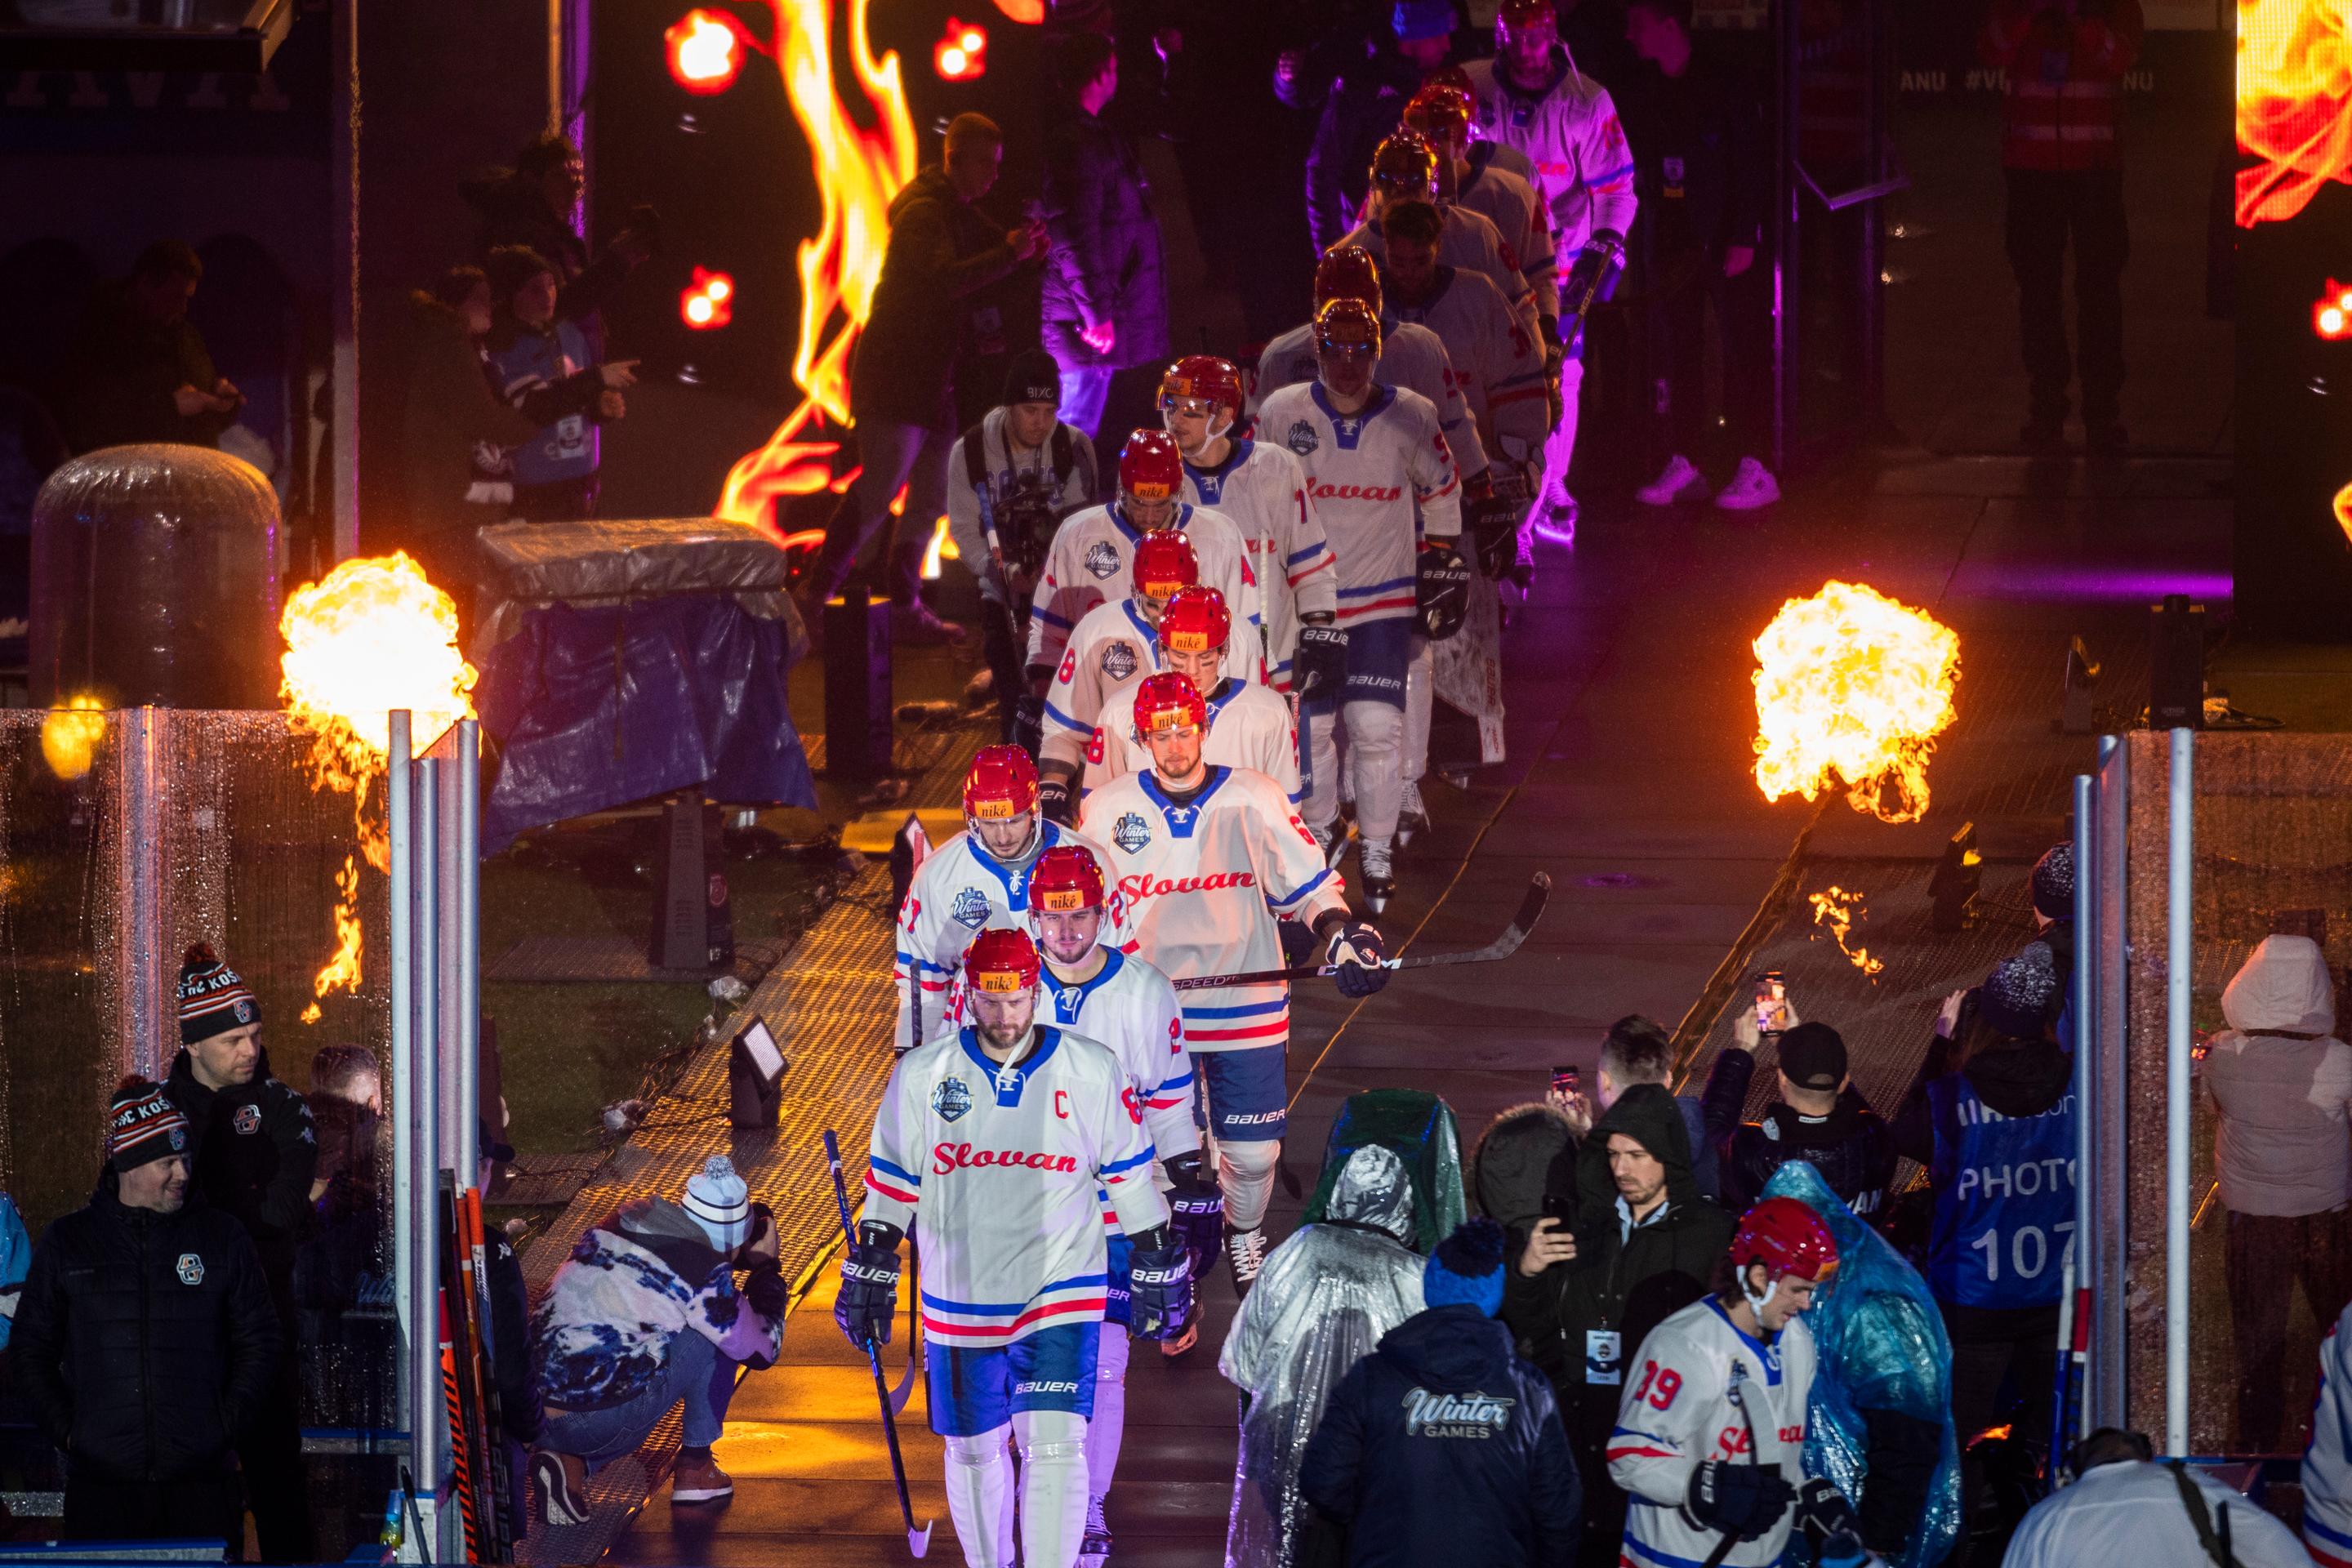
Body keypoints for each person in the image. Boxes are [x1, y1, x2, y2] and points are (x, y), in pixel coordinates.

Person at [841, 927, 1193, 1568]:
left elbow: (1129, 1179)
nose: (1004, 1017)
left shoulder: (1091, 1068)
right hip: (960, 1296)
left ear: (1036, 992)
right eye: (990, 1001)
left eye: (1016, 1000)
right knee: (974, 1451)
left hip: (1060, 1290)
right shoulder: (922, 1075)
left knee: (1055, 1445)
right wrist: (872, 1263)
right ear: (969, 996)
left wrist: (1157, 1253)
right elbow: (892, 1185)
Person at [1083, 673, 1388, 1290]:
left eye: (1184, 731)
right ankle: (1168, 1255)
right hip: (1153, 1013)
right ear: (1142, 739)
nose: (1175, 746)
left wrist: (1342, 934)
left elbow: (1310, 887)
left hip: (1244, 1007)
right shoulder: (1107, 809)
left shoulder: (1257, 795)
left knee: (1251, 1155)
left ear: (1204, 728)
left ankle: (1243, 1231)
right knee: (1162, 1158)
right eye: (1161, 735)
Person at [1025, 844, 1208, 1559]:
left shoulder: (1145, 991)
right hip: (1024, 1208)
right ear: (1033, 918)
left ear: (1104, 913)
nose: (1066, 932)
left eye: (1079, 916)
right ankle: (1043, 1488)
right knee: (1029, 1361)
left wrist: (1190, 1187)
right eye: (1052, 918)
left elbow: (1169, 1105)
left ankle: (1089, 1505)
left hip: (1116, 1207)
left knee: (1104, 1360)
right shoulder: (999, 985)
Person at [1258, 299, 1463, 911]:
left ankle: (1376, 848)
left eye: (1359, 350)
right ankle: (1321, 828)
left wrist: (1442, 560)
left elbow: (1444, 487)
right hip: (1307, 603)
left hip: (1382, 599)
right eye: (1335, 349)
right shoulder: (1280, 412)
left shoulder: (1412, 413)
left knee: (1375, 728)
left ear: (1377, 352)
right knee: (1311, 729)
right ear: (1316, 352)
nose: (1347, 363)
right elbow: (1253, 486)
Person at [808, 113, 1045, 641]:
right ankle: (814, 598)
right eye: (985, 163)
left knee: (930, 495)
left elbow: (984, 271)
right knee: (880, 490)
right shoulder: (924, 215)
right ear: (954, 159)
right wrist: (1011, 254)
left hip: (931, 376)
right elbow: (943, 282)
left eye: (996, 165)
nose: (993, 175)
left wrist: (1022, 256)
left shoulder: (953, 213)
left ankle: (902, 603)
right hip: (899, 372)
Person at [16, 1080, 279, 1549]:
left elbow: (261, 1341)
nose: (183, 1173)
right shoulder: (68, 1243)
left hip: (201, 1488)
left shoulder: (222, 1238)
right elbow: (30, 1351)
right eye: (167, 1162)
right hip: (103, 1492)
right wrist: (73, 1435)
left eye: (186, 1159)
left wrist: (221, 1428)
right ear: (129, 1164)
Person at [1501, 1082, 1733, 1566]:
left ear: (1668, 1156)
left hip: (1662, 1443)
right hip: (1579, 1437)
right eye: (1613, 1155)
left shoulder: (1712, 1234)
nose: (1621, 1169)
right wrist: (1527, 1272)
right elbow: (1533, 1329)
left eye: (1636, 1155)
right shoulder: (1586, 1226)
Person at [1891, 944, 2075, 1531]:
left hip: (1973, 1296)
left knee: (1957, 1440)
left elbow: (1904, 1133)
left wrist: (1941, 1045)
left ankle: (1958, 1541)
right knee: (2057, 1434)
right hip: (2056, 1293)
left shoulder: (1953, 1096)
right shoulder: (2082, 1083)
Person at [1302, 1217, 1583, 1566]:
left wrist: (1375, 1519)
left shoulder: (1371, 1377)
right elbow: (1558, 1507)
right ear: (1494, 1293)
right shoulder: (1529, 1389)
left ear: (1430, 1286)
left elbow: (1323, 1480)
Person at [160, 942, 316, 1562]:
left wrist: (197, 1212)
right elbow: (127, 1215)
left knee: (279, 1481)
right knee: (197, 1490)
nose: (250, 1049)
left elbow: (281, 1211)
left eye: (254, 1035)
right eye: (233, 1040)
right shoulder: (160, 1116)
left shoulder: (281, 1107)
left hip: (261, 1330)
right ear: (195, 1045)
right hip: (182, 1337)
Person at [1608, 1198, 1862, 1568]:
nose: (1807, 1303)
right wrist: (1702, 1486)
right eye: (1797, 1289)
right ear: (1758, 1277)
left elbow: (1775, 1446)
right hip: (1675, 1558)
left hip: (1761, 1559)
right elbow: (1628, 1456)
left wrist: (1804, 1496)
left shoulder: (1797, 1342)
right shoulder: (1685, 1345)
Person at [530, 1155, 785, 1521]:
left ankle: (568, 1469)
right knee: (716, 1332)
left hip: (531, 1412)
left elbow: (680, 1257)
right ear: (734, 1238)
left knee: (638, 1344)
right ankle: (696, 1467)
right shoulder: (702, 1272)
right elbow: (762, 1349)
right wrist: (767, 1270)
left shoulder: (622, 1221)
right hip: (597, 1423)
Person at [1464, 0, 1639, 529]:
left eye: (1535, 37)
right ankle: (1487, 480)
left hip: (1560, 260)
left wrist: (1604, 248)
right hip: (1488, 257)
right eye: (1515, 38)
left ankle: (1553, 482)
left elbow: (1617, 188)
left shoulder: (1586, 100)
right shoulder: (1470, 88)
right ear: (1500, 37)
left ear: (1553, 36)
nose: (1526, 50)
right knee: (1481, 368)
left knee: (1561, 368)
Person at [1220, 1143, 1428, 1568]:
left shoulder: (1295, 1252)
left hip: (1284, 1445)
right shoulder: (1415, 1276)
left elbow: (1244, 1361)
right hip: (1378, 1455)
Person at [1758, 1160, 1958, 1568]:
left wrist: (1875, 1542)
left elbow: (1908, 1434)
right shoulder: (1803, 1290)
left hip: (1860, 1530)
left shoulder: (1873, 1302)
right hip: (1806, 1525)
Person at [1620, 0, 1776, 513]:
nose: (1630, 34)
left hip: (1726, 238)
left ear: (1669, 25)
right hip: (1677, 238)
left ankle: (1757, 462)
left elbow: (1750, 160)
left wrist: (1744, 234)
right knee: (1682, 350)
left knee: (1742, 347)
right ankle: (1689, 459)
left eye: (1639, 24)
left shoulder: (1723, 81)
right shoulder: (1649, 87)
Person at [2199, 933, 2352, 1453]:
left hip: (2252, 1220)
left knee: (2259, 1343)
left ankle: (2257, 1448)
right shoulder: (2339, 1061)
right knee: (2340, 1335)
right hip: (2325, 1220)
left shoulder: (2221, 1055)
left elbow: (2209, 1107)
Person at [1025, 430, 1258, 767]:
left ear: (1177, 492)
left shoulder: (1220, 535)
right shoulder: (1077, 534)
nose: (1149, 517)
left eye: (1160, 504)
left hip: (1199, 727)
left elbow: (1245, 633)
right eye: (1138, 502)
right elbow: (1049, 629)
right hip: (1106, 716)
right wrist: (1042, 693)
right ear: (1122, 489)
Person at [1977, 0, 2144, 453]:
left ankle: (2102, 413)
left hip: (2095, 172)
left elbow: (2122, 57)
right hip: (2031, 173)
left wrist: (2081, 19)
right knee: (2037, 292)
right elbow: (1991, 49)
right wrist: (2029, 14)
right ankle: (2046, 409)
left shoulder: (2111, 6)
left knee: (2100, 292)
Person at [893, 746, 1119, 1053]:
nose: (1002, 836)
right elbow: (923, 979)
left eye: (1013, 821)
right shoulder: (937, 876)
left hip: (1075, 1034)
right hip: (983, 1036)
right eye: (989, 823)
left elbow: (1118, 966)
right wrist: (915, 1055)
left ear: (1034, 808)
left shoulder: (1091, 863)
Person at [1377, 198, 1549, 593]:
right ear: (1384, 249)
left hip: (1470, 477)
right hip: (1385, 483)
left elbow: (1517, 380)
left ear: (1438, 248)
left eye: (1420, 261)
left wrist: (1510, 461)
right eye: (1398, 262)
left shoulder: (1477, 296)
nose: (1408, 274)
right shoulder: (1363, 304)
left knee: (1474, 599)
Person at [403, 265, 604, 592]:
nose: (489, 306)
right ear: (455, 304)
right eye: (478, 298)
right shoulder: (449, 346)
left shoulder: (468, 346)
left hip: (463, 506)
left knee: (479, 593)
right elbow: (485, 419)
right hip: (455, 509)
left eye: (490, 297)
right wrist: (533, 422)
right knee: (472, 596)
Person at [1250, 246, 1491, 512]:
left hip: (1398, 508)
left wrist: (1481, 491)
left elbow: (1451, 424)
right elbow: (1260, 445)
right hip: (1315, 511)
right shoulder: (1281, 356)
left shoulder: (1419, 348)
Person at [946, 350, 1101, 746]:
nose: (1040, 423)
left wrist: (1052, 572)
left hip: (1063, 596)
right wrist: (1000, 571)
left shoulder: (1072, 446)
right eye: (1030, 410)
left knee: (1070, 705)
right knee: (1015, 704)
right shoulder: (971, 451)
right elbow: (962, 528)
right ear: (1009, 406)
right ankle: (1018, 773)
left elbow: (1085, 528)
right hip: (1001, 595)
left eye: (1050, 411)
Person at [1162, 355, 1339, 700]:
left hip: (1275, 666)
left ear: (1224, 416)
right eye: (1172, 407)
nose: (1176, 420)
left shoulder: (1275, 466)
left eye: (1191, 411)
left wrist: (1319, 636)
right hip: (1189, 667)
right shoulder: (1158, 476)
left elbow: (1310, 563)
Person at [1041, 32, 1170, 453]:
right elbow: (1075, 235)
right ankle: (1052, 498)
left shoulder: (1089, 135)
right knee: (1070, 434)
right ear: (1099, 74)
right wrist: (1096, 313)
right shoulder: (1077, 143)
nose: (1118, 76)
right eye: (1113, 68)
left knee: (1076, 433)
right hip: (1082, 323)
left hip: (1090, 314)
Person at [1038, 530, 1207, 797]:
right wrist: (1053, 789)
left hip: (1208, 793)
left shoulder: (1234, 635)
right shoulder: (1098, 628)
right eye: (1153, 605)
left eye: (1173, 603)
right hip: (1124, 799)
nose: (1165, 618)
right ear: (1135, 591)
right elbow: (1065, 730)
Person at [1086, 603, 1302, 805]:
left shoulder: (1268, 712)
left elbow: (1286, 809)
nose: (1192, 669)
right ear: (1163, 649)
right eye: (1180, 655)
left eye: (1204, 657)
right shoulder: (1120, 710)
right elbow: (1098, 804)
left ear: (1223, 650)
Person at [1335, 132, 1539, 344]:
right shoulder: (1351, 254)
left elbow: (1520, 306)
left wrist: (1536, 358)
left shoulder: (1475, 233)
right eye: (1389, 180)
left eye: (1413, 180)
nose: (1400, 191)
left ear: (1432, 184)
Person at [2009, 1427, 2306, 1566]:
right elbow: (2281, 1554)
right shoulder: (2192, 1490)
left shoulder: (2047, 1517)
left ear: (2079, 1467)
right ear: (2146, 1457)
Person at [483, 245, 631, 522]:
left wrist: (600, 406)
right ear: (513, 294)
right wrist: (597, 378)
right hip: (536, 487)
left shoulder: (569, 332)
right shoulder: (507, 345)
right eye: (535, 289)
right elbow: (535, 407)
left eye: (551, 285)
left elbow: (578, 396)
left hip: (582, 480)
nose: (547, 295)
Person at [56, 240, 241, 454]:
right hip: (134, 465)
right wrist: (171, 408)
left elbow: (205, 415)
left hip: (195, 462)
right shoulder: (99, 333)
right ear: (145, 284)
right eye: (176, 296)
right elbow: (87, 424)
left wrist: (223, 402)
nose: (183, 308)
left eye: (187, 298)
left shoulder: (185, 335)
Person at [1307, 0, 1461, 254]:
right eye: (1438, 35)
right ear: (1413, 37)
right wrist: (1330, 252)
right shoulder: (1363, 82)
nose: (1447, 45)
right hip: (1371, 237)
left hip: (1435, 238)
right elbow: (1322, 167)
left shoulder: (1445, 76)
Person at [1700, 1020, 1895, 1218]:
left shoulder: (1752, 1157)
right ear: (1844, 1082)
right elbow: (1855, 1112)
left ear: (1782, 1079)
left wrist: (1741, 1050)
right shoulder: (1877, 1143)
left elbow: (1708, 1136)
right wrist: (1798, 1050)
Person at [1403, 84, 1561, 330]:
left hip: (1496, 337)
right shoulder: (1392, 193)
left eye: (1437, 135)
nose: (1424, 146)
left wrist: (1546, 330)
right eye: (1416, 135)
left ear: (1462, 138)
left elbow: (1540, 276)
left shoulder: (1512, 193)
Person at [465, 131, 657, 333]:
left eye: (578, 179)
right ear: (531, 179)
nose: (573, 185)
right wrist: (615, 262)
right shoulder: (516, 233)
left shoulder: (562, 238)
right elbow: (550, 311)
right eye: (561, 176)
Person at [1557, 1013, 1718, 1201]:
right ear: (1667, 1080)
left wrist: (1571, 1137)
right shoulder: (1698, 1129)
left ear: (1604, 1080)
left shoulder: (1612, 1162)